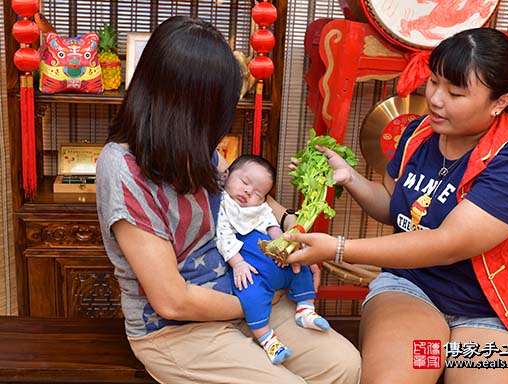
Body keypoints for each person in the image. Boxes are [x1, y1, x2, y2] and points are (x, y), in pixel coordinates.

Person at [95, 16, 360, 384]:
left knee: (343, 364)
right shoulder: (122, 169)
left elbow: (250, 199)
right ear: (187, 108)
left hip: (242, 290)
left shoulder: (195, 146)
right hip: (177, 327)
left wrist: (290, 228)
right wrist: (258, 299)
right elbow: (172, 299)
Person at [284, 27, 508, 384]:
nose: (436, 99)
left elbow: (448, 245)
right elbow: (393, 208)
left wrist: (338, 248)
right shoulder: (419, 132)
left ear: (499, 102)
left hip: (494, 311)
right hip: (413, 289)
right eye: (434, 82)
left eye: (455, 92)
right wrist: (350, 178)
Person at [217, 154, 330, 365]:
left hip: (275, 260)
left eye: (258, 193)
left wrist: (284, 249)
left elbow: (273, 226)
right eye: (244, 182)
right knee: (250, 294)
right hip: (250, 268)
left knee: (301, 267)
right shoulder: (223, 204)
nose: (249, 191)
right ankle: (268, 340)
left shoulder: (260, 208)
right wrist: (238, 264)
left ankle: (306, 308)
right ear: (226, 175)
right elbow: (223, 237)